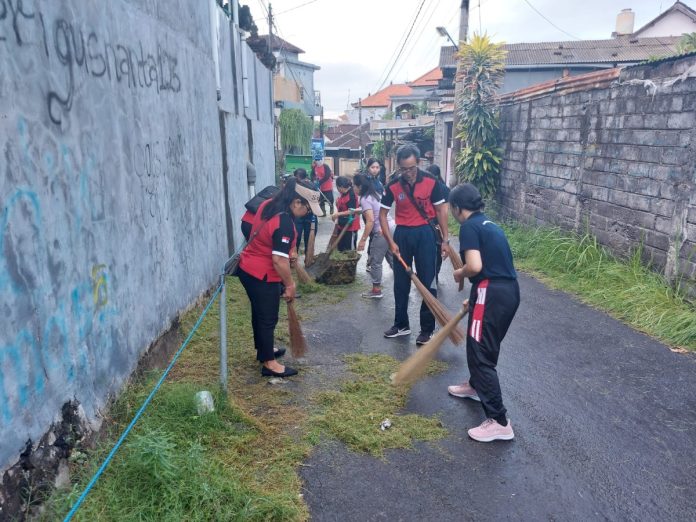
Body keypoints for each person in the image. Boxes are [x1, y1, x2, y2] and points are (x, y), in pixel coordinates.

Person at [447, 183, 520, 443]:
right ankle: (476, 386)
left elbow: (475, 266)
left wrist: (459, 272)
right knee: (485, 346)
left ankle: (499, 421)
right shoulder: (489, 223)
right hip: (506, 291)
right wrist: (477, 297)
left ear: (456, 208)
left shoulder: (469, 226)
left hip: (492, 292)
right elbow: (495, 265)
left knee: (479, 352)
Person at [237, 178, 323, 377]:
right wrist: (290, 284)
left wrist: (288, 250)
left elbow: (267, 237)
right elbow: (278, 260)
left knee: (259, 314)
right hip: (262, 274)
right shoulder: (284, 221)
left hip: (248, 269)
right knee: (268, 318)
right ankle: (269, 364)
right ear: (296, 202)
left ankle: (264, 350)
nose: (308, 213)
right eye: (308, 209)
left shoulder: (270, 204)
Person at [379, 144, 449, 345]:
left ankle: (427, 330)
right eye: (403, 169)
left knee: (428, 281)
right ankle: (401, 324)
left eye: (411, 168)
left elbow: (441, 211)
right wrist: (390, 241)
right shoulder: (392, 185)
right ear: (399, 166)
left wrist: (445, 240)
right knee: (401, 282)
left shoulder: (431, 182)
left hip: (426, 234)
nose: (408, 173)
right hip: (402, 235)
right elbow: (382, 215)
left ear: (418, 163)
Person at [353, 173, 391, 299]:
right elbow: (374, 210)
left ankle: (376, 290)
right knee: (392, 258)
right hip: (391, 227)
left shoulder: (364, 199)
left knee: (376, 261)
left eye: (354, 185)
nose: (353, 188)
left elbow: (370, 220)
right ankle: (407, 280)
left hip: (381, 231)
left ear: (359, 186)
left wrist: (363, 240)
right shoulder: (375, 194)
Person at [425, 164, 450, 283]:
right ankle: (434, 275)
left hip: (431, 225)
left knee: (430, 251)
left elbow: (443, 211)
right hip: (435, 225)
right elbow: (444, 212)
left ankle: (430, 276)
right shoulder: (444, 188)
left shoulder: (431, 187)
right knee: (436, 251)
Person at [331, 176, 361, 251]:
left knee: (349, 250)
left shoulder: (351, 195)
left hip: (351, 227)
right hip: (342, 224)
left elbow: (352, 211)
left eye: (337, 187)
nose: (337, 190)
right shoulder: (343, 193)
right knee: (341, 247)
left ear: (340, 187)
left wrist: (338, 214)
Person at [292, 168, 318, 253]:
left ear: (298, 177)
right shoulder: (313, 185)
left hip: (302, 215)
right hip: (308, 215)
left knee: (297, 237)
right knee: (306, 238)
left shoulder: (298, 186)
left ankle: (297, 257)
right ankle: (307, 258)